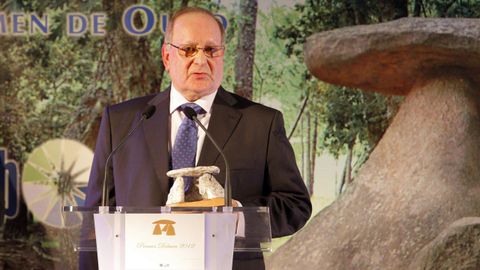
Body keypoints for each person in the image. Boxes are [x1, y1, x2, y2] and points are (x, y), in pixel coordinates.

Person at [83, 6, 311, 270]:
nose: (201, 60)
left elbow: (295, 206)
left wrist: (236, 217)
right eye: (188, 50)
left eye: (211, 50)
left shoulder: (261, 123)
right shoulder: (122, 122)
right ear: (167, 56)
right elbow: (94, 219)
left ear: (222, 55)